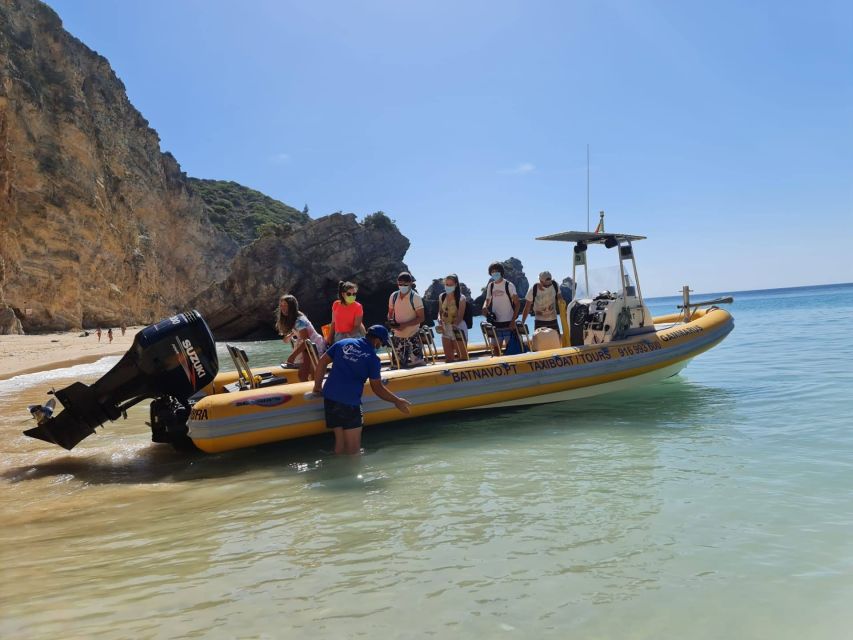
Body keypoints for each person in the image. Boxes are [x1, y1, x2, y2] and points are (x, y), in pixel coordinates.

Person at [312, 324, 411, 455]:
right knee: (354, 451)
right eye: (381, 344)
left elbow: (322, 362)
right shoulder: (372, 359)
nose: (380, 347)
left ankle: (337, 472)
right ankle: (352, 474)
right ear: (376, 341)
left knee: (340, 445)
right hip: (350, 403)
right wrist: (397, 401)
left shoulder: (343, 343)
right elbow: (377, 388)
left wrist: (317, 387)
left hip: (330, 398)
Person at [275, 294, 326, 382]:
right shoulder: (294, 318)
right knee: (303, 374)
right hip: (306, 346)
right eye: (281, 305)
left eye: (285, 305)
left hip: (313, 346)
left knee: (304, 374)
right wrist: (290, 335)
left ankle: (315, 390)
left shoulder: (299, 320)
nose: (283, 308)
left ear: (291, 307)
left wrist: (292, 356)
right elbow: (300, 331)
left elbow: (306, 340)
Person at [387, 271, 425, 367]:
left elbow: (421, 317)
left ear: (411, 283)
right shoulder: (393, 296)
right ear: (397, 283)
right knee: (397, 366)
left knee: (417, 365)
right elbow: (390, 314)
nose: (402, 286)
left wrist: (404, 325)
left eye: (405, 284)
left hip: (413, 336)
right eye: (400, 284)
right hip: (398, 337)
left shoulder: (415, 297)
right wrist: (391, 323)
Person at [481, 262, 519, 355]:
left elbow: (517, 304)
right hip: (495, 323)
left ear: (501, 272)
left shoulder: (509, 285)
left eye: (497, 271)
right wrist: (484, 307)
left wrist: (513, 321)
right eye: (492, 272)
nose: (495, 273)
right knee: (496, 349)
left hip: (508, 323)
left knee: (511, 350)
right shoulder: (491, 285)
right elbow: (487, 300)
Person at [437, 273, 468, 362]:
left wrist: (454, 326)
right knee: (449, 358)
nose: (448, 286)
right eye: (447, 284)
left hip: (458, 328)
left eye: (451, 285)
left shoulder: (461, 298)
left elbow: (460, 316)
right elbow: (440, 312)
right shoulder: (442, 296)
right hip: (445, 329)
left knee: (462, 357)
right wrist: (439, 320)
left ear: (456, 285)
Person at [521, 270, 561, 335]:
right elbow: (527, 307)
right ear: (540, 281)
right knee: (539, 342)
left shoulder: (555, 285)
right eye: (546, 285)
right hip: (540, 321)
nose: (548, 286)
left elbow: (560, 297)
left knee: (557, 341)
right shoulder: (534, 289)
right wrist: (522, 322)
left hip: (553, 319)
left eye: (549, 284)